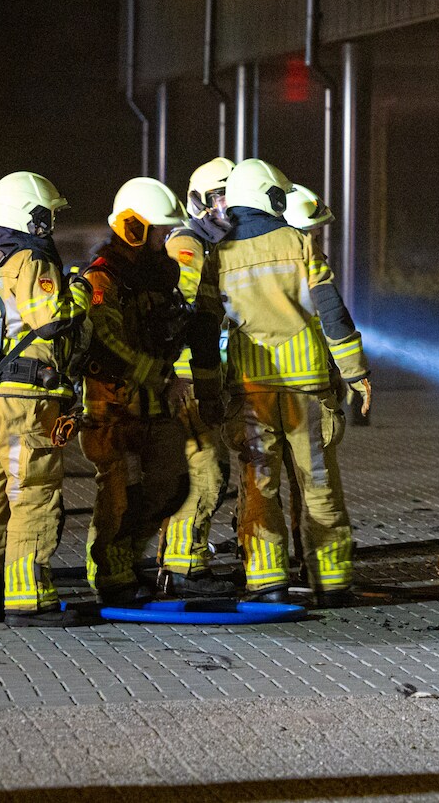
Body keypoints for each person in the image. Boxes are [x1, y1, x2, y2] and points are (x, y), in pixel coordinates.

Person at [217, 158, 371, 605]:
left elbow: (206, 328)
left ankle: (267, 581)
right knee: (318, 484)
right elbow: (333, 314)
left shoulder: (217, 255)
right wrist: (356, 373)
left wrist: (207, 388)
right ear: (269, 196)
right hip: (307, 390)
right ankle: (333, 580)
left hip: (250, 393)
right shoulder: (300, 244)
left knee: (259, 486)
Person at [0, 171, 91, 627]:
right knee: (32, 494)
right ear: (31, 217)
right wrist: (81, 290)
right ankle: (28, 597)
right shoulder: (30, 259)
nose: (49, 223)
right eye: (47, 215)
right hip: (22, 402)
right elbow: (51, 320)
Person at [77, 178, 193, 604]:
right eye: (161, 229)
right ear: (135, 228)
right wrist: (158, 375)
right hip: (111, 407)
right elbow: (106, 340)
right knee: (119, 497)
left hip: (153, 403)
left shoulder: (156, 276)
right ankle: (113, 577)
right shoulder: (102, 278)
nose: (166, 238)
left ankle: (125, 560)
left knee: (171, 486)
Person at [157, 158, 237, 595]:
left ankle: (176, 564)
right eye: (220, 197)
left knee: (199, 471)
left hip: (196, 378)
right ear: (198, 201)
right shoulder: (188, 243)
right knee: (206, 473)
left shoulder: (212, 247)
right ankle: (186, 568)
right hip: (185, 382)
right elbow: (181, 313)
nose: (227, 206)